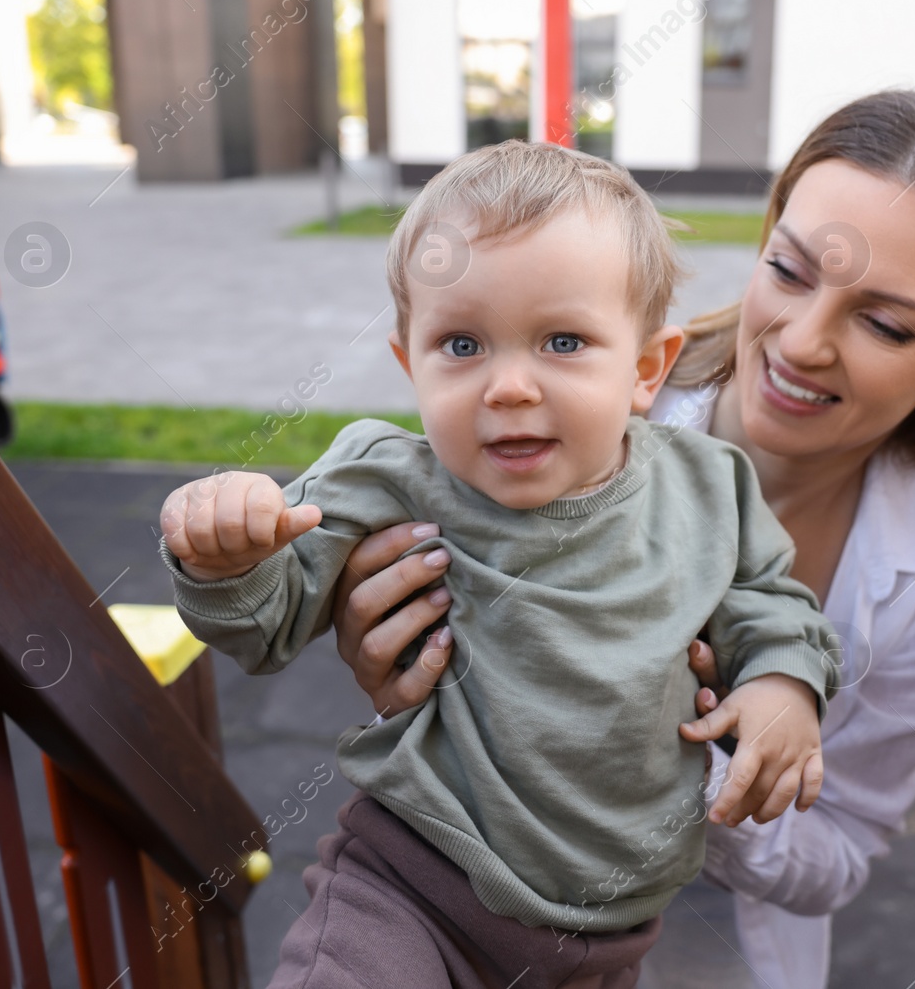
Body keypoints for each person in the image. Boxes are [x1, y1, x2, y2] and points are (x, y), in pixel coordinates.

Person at [326, 86, 915, 987]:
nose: (802, 341)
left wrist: (682, 771)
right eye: (789, 271)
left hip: (707, 936)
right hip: (465, 885)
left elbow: (840, 850)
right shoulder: (568, 420)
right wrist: (400, 671)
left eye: (883, 323)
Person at [157, 140, 841, 989]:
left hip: (611, 934)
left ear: (645, 369)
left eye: (561, 340)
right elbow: (267, 623)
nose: (508, 386)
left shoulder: (706, 487)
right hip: (414, 884)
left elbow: (773, 601)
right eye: (462, 345)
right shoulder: (386, 477)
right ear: (411, 365)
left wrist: (782, 681)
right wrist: (227, 560)